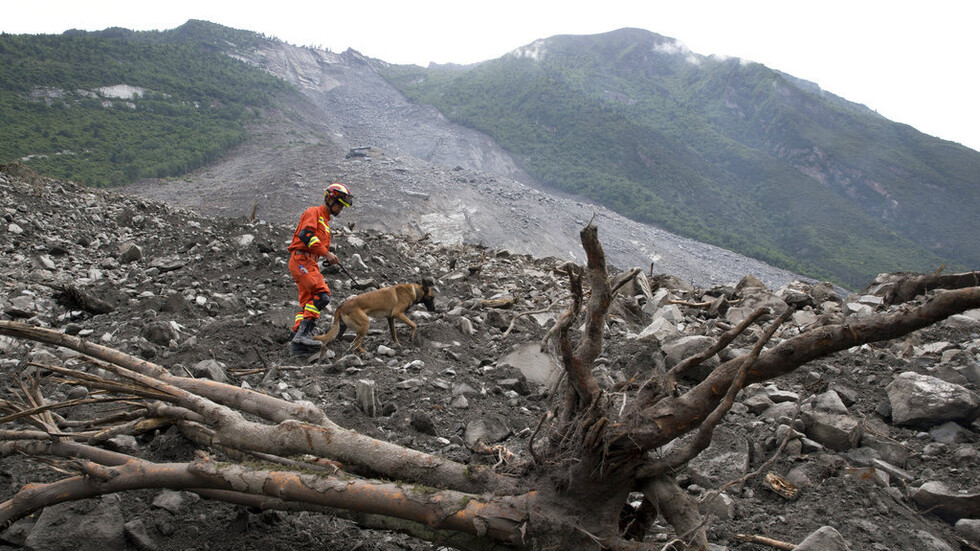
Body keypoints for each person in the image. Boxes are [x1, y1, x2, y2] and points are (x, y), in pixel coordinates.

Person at [287, 183, 353, 355]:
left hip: (310, 261)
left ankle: (297, 339)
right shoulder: (314, 212)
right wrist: (326, 253)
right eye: (339, 204)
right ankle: (303, 336)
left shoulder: (325, 222)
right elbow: (305, 235)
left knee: (308, 301)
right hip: (301, 260)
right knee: (321, 296)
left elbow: (315, 244)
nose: (340, 209)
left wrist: (325, 257)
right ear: (330, 199)